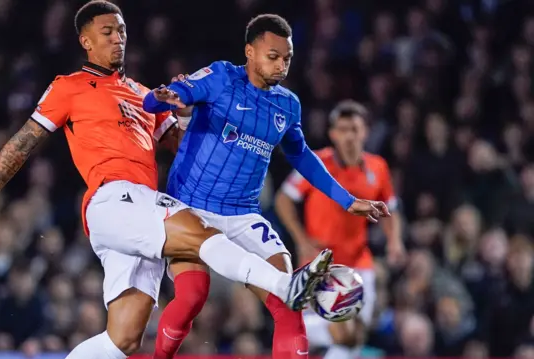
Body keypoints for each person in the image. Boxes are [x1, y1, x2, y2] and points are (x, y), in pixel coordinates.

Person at [0, 2, 334, 358]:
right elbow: (22, 143)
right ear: (85, 40)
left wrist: (203, 112)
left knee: (125, 338)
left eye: (121, 30)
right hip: (114, 198)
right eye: (107, 32)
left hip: (139, 213)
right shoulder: (69, 87)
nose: (118, 38)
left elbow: (184, 144)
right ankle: (285, 286)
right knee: (202, 234)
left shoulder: (142, 94)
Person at [142, 15, 391, 359]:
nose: (281, 65)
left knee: (288, 303)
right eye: (273, 56)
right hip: (190, 209)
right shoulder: (220, 77)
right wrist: (164, 97)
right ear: (250, 51)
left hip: (243, 215)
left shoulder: (287, 104)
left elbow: (301, 155)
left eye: (287, 58)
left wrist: (347, 201)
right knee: (192, 297)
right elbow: (158, 101)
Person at [274, 100, 406, 359]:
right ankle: (297, 330)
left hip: (358, 261)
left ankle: (301, 332)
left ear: (365, 132)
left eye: (355, 129)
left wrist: (395, 241)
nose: (349, 136)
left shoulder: (378, 167)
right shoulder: (315, 163)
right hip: (319, 263)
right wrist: (301, 240)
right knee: (340, 335)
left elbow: (391, 209)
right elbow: (283, 199)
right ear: (332, 133)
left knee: (356, 334)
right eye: (343, 129)